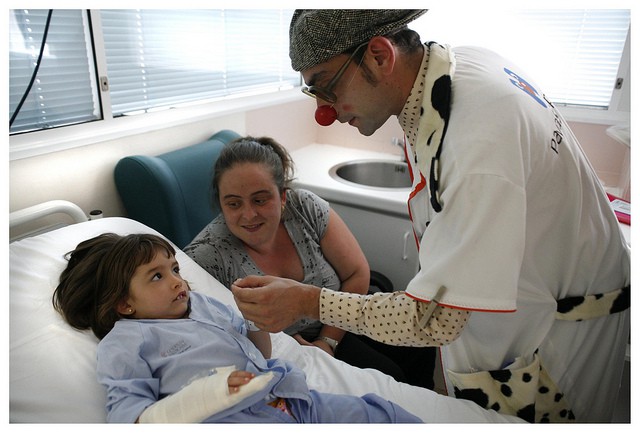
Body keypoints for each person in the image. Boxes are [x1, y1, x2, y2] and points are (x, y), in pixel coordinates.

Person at [231, 9, 631, 423]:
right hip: (527, 301)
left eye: (327, 87)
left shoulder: (476, 141)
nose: (325, 112)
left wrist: (308, 300)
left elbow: (434, 321)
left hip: (553, 338)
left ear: (381, 56)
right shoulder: (455, 72)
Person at [51, 232, 422, 423]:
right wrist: (206, 395)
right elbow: (131, 417)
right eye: (157, 276)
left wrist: (253, 318)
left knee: (379, 413)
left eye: (175, 269)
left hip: (289, 397)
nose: (177, 280)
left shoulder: (202, 305)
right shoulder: (126, 342)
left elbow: (259, 351)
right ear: (124, 303)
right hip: (232, 418)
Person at [184, 135, 436, 389]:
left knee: (422, 345)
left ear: (283, 197)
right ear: (221, 205)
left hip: (341, 317)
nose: (249, 214)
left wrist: (328, 342)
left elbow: (357, 273)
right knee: (392, 376)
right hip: (298, 350)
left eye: (260, 200)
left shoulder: (304, 208)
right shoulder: (208, 257)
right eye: (234, 204)